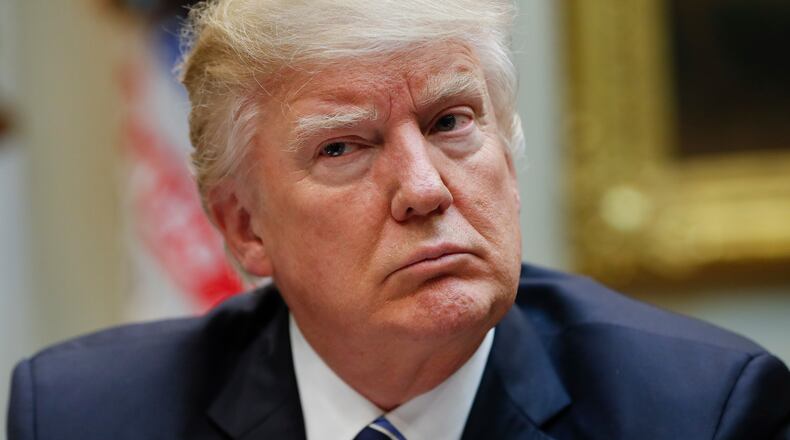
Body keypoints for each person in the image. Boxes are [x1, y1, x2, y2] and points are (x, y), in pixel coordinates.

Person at [7, 0, 790, 438]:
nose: (424, 189)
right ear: (245, 227)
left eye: (451, 122)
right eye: (344, 146)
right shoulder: (87, 416)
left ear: (508, 159)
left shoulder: (698, 414)